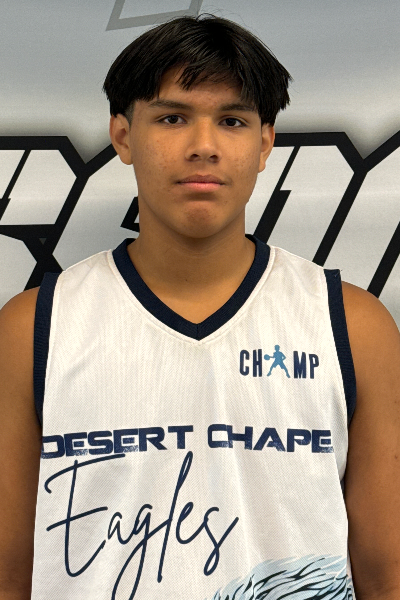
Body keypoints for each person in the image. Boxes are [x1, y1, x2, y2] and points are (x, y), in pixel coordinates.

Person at [0, 13, 399, 600]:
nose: (204, 147)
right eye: (172, 118)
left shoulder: (353, 326)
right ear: (123, 136)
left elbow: (385, 576)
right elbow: (10, 575)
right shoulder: (33, 328)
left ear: (265, 143)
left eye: (232, 121)